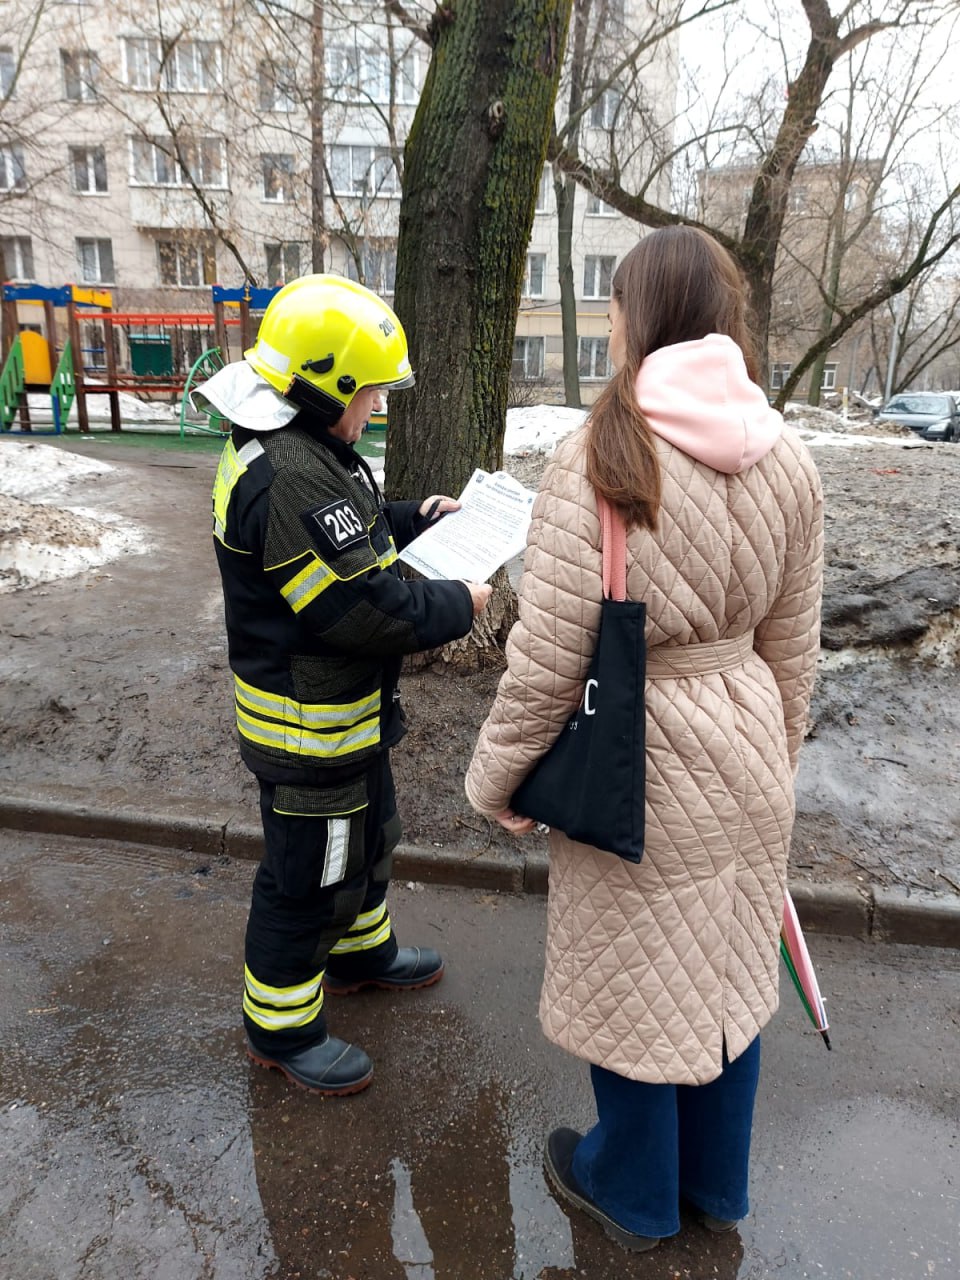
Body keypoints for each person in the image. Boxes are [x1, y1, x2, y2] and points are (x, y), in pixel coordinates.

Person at [465, 227, 824, 1250]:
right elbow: (794, 647)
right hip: (748, 740)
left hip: (641, 757)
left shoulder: (600, 453)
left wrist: (497, 778)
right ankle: (715, 1182)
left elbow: (550, 653)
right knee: (725, 975)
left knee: (635, 982)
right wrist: (774, 754)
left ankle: (631, 1189)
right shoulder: (787, 454)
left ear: (638, 319)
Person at [198, 273, 491, 1096]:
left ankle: (363, 955)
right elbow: (363, 609)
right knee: (308, 878)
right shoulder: (289, 473)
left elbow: (350, 534)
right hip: (308, 729)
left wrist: (410, 518)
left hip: (343, 721)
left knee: (371, 837)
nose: (375, 408)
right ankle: (282, 1028)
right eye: (368, 393)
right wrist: (458, 605)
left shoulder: (305, 446)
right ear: (325, 386)